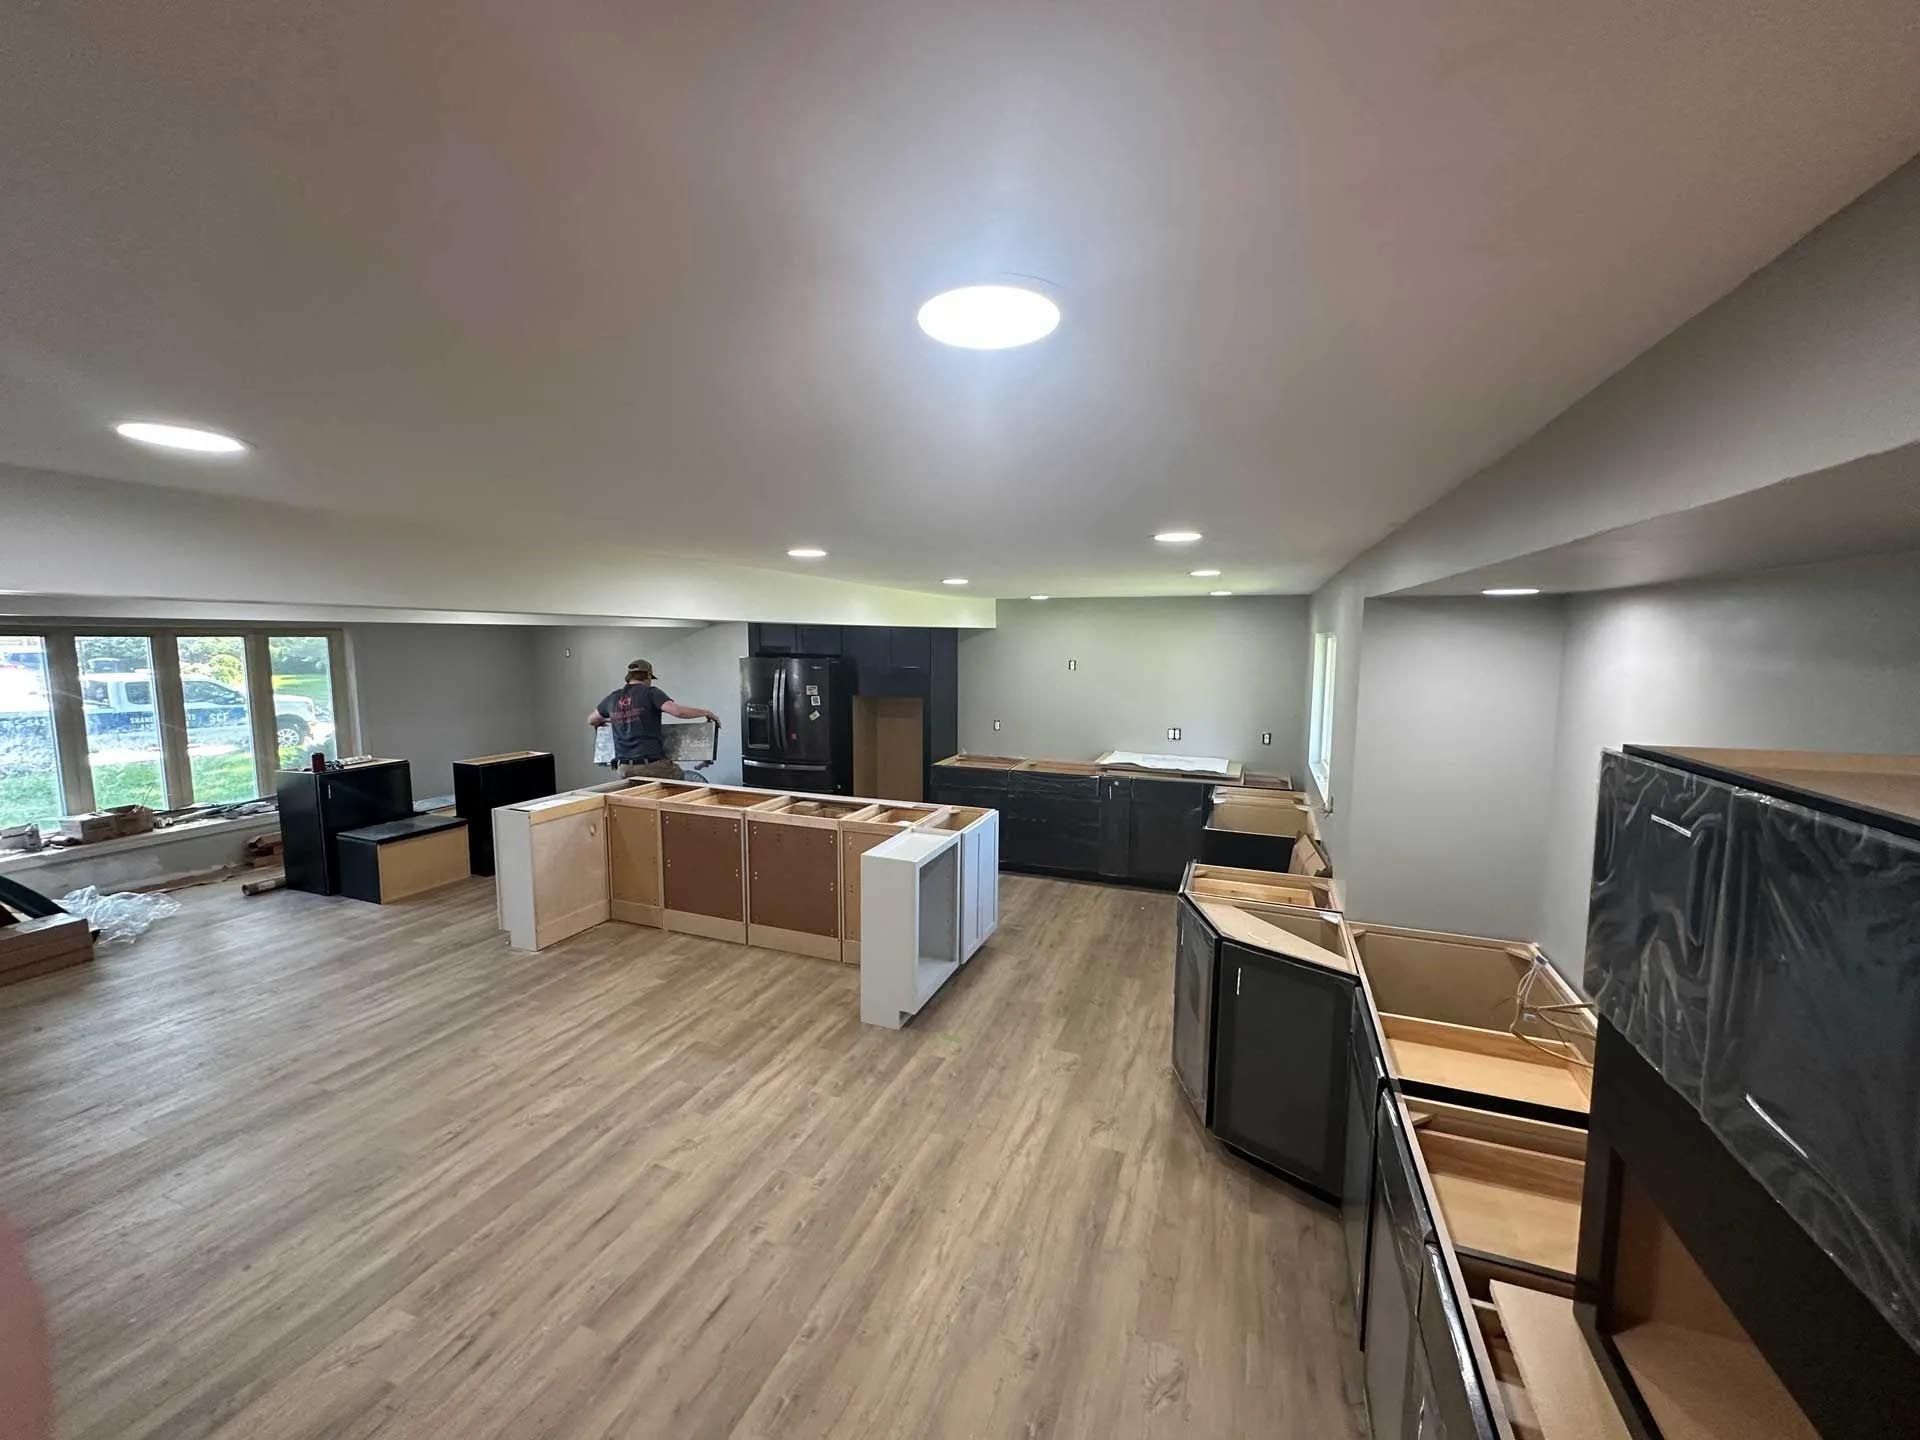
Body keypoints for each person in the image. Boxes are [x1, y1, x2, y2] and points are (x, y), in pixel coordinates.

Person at [588, 659, 720, 780]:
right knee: (688, 781)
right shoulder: (650, 693)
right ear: (648, 676)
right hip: (652, 765)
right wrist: (706, 712)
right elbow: (678, 711)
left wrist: (608, 720)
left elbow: (592, 720)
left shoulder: (613, 697)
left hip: (624, 768)